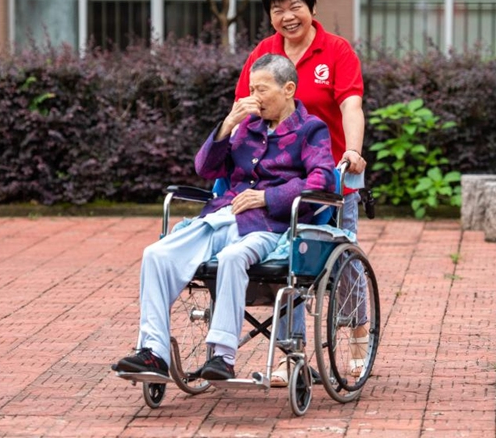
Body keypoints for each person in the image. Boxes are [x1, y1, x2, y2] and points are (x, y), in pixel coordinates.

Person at [114, 54, 335, 381]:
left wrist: (267, 197)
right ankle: (153, 352)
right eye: (250, 89)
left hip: (267, 226)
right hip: (221, 218)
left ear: (288, 89)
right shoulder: (247, 127)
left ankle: (222, 355)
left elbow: (322, 180)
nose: (253, 97)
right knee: (156, 254)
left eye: (262, 89)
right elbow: (205, 168)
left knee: (233, 258)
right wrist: (228, 125)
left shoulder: (311, 130)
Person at [233, 0, 369, 386]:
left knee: (341, 258)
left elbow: (350, 105)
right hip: (277, 178)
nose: (288, 16)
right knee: (287, 263)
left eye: (295, 6)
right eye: (278, 9)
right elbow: (243, 107)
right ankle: (291, 354)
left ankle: (359, 335)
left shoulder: (336, 50)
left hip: (328, 176)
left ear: (311, 8)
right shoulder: (265, 52)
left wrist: (352, 150)